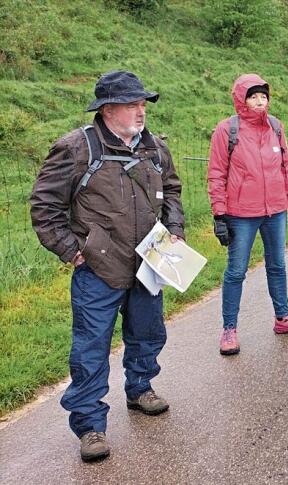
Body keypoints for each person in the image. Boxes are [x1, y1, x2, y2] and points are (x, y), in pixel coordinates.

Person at [30, 70, 184, 462]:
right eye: (131, 104)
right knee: (90, 349)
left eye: (142, 103)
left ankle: (140, 388)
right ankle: (90, 426)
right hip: (98, 269)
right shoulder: (76, 149)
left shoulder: (155, 148)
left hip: (150, 261)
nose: (140, 111)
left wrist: (176, 231)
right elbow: (44, 208)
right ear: (107, 109)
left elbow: (174, 192)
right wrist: (72, 251)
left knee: (148, 333)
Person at [208, 73, 288, 357]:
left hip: (275, 211)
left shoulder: (276, 127)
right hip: (240, 214)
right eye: (253, 96)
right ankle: (229, 329)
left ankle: (283, 318)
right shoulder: (226, 130)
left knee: (277, 265)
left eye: (263, 96)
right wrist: (219, 215)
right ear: (241, 99)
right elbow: (216, 174)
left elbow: (286, 169)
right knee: (236, 271)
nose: (259, 101)